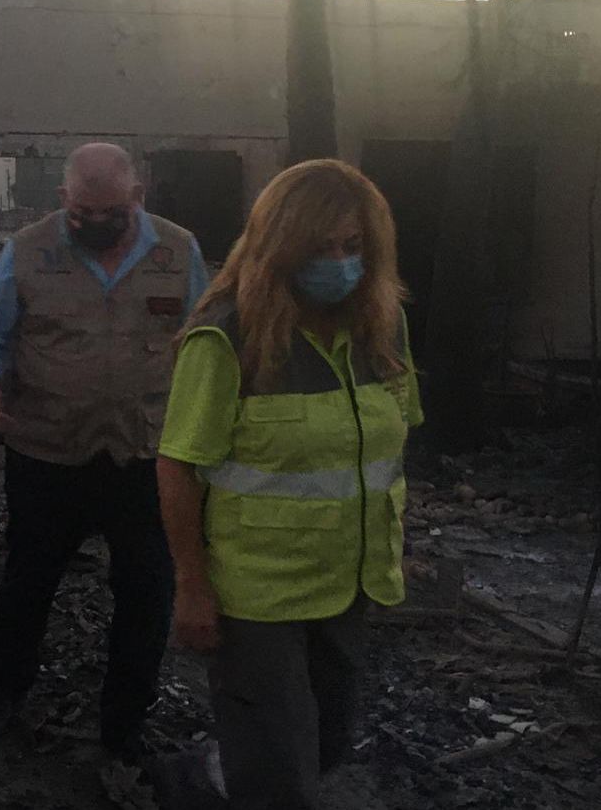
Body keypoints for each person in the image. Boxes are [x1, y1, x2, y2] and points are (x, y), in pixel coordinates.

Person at [155, 159, 423, 809]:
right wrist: (191, 586)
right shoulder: (227, 337)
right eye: (319, 247)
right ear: (280, 247)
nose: (339, 263)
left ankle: (210, 776)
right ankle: (229, 779)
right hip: (257, 594)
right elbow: (178, 466)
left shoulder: (382, 327)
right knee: (280, 772)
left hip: (348, 582)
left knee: (326, 742)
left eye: (352, 246)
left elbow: (391, 442)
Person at [0, 143, 209, 759]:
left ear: (138, 198)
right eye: (82, 212)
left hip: (145, 455)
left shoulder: (178, 251)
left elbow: (206, 342)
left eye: (111, 212)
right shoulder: (29, 249)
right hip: (48, 453)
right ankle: (7, 691)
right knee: (28, 582)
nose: (96, 222)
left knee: (147, 593)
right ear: (63, 199)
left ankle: (125, 721)